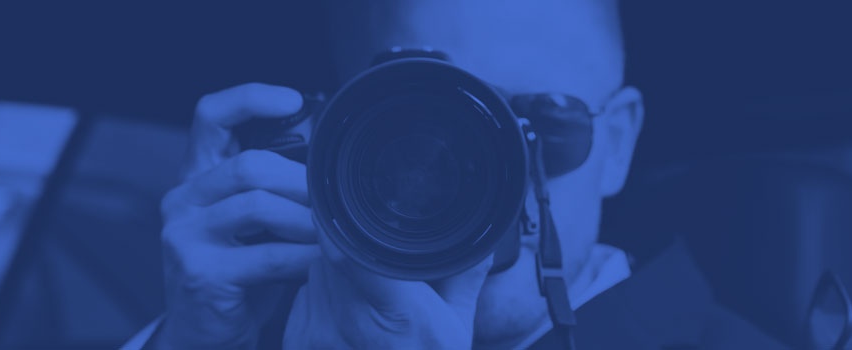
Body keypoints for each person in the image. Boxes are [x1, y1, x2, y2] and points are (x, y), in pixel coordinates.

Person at [130, 0, 781, 348]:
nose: (478, 174)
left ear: (616, 142)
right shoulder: (258, 329)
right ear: (339, 135)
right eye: (426, 124)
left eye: (540, 128)